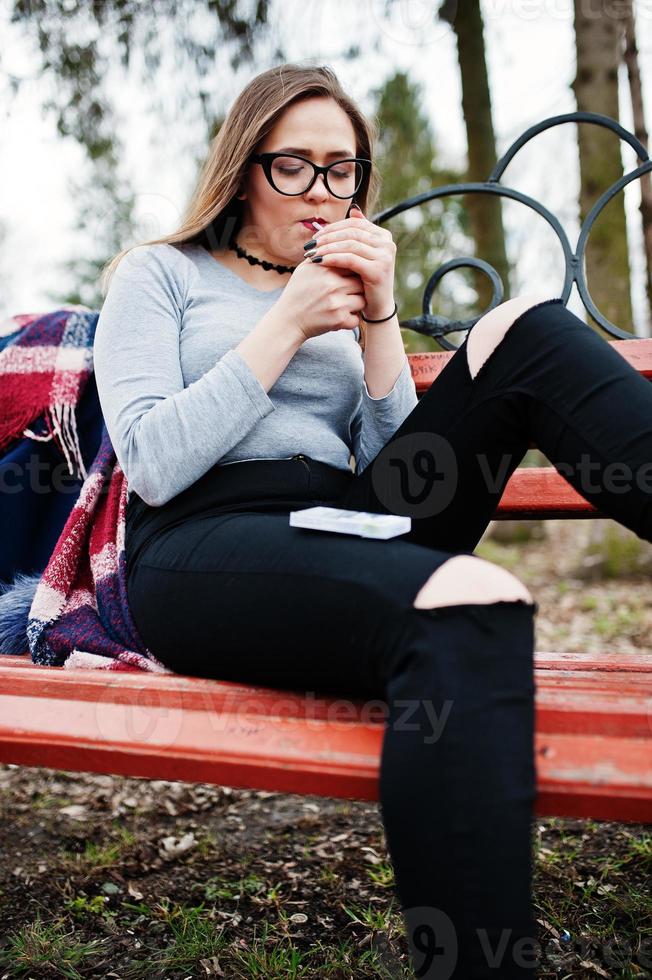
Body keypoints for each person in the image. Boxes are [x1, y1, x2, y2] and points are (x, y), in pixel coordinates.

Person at [93, 63, 652, 980]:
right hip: (203, 541)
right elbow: (153, 463)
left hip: (340, 518)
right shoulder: (158, 276)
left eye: (343, 169)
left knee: (526, 327)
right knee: (471, 601)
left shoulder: (345, 290)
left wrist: (379, 319)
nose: (323, 191)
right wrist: (281, 326)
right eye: (295, 166)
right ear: (243, 168)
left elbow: (407, 472)